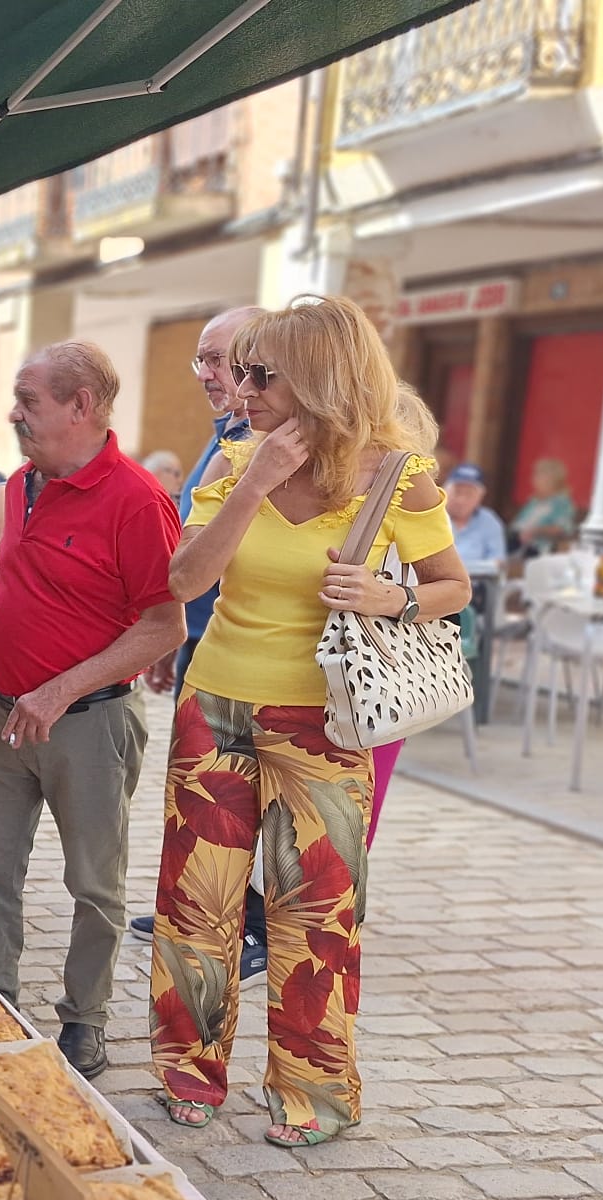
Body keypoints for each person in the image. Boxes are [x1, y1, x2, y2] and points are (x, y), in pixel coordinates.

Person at [148, 295, 470, 1145]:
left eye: (262, 374)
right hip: (213, 705)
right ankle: (189, 1071)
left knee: (316, 912)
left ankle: (314, 1096)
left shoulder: (398, 475)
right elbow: (183, 583)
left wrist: (389, 596)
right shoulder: (231, 463)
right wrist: (252, 481)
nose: (241, 389)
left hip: (325, 722)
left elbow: (452, 587)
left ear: (321, 379)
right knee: (197, 903)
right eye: (239, 372)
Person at [0, 343, 185, 1080]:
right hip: (0, 714)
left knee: (95, 885)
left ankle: (85, 1020)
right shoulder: (24, 482)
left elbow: (164, 625)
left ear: (80, 405)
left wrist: (57, 690)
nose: (15, 412)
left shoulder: (136, 498)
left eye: (29, 400)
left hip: (88, 724)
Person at [132, 305, 263, 973]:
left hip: (248, 656)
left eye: (218, 359)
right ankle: (194, 905)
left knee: (235, 798)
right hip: (202, 638)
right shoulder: (224, 436)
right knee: (198, 795)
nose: (205, 373)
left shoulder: (272, 445)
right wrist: (169, 636)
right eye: (201, 360)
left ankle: (249, 926)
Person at [445, 462, 507, 568]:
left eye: (469, 494)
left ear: (480, 497)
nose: (461, 500)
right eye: (457, 492)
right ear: (445, 491)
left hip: (477, 583)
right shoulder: (433, 517)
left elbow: (498, 562)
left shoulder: (489, 521)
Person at [512, 457, 578, 553]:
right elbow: (517, 525)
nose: (534, 480)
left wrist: (534, 531)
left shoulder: (562, 503)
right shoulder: (534, 501)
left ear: (552, 480)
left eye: (539, 476)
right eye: (535, 475)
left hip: (540, 549)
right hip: (517, 543)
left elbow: (561, 529)